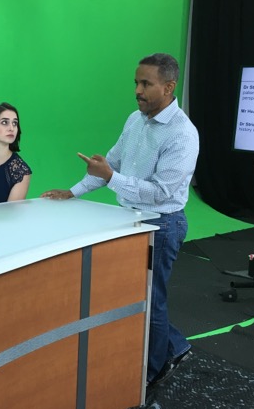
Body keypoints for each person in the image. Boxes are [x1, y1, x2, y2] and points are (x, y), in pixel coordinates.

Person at [41, 53, 199, 387]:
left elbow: (160, 193)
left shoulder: (183, 135)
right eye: (136, 83)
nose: (138, 91)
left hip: (161, 224)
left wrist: (111, 177)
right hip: (127, 220)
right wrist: (74, 191)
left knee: (151, 298)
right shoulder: (135, 120)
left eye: (146, 84)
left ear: (169, 87)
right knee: (133, 293)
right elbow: (110, 163)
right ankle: (176, 346)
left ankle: (153, 371)